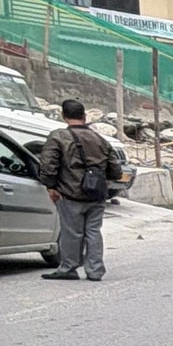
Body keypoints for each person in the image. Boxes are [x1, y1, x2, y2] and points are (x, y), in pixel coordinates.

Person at [38, 99, 128, 282]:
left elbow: (48, 165)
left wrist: (50, 186)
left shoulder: (58, 136)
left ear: (63, 116)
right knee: (93, 231)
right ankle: (95, 270)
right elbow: (116, 170)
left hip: (70, 193)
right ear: (84, 116)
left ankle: (68, 268)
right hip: (97, 195)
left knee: (72, 232)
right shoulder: (100, 139)